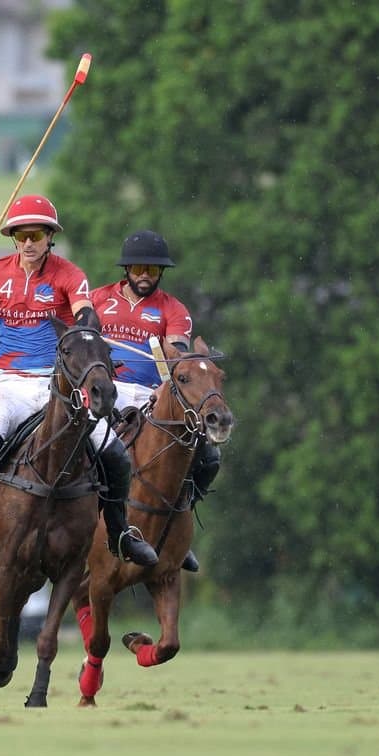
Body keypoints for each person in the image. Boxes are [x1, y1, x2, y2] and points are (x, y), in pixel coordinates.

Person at [0, 195, 156, 566]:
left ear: (50, 237)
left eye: (36, 235)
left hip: (60, 388)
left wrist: (85, 324)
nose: (29, 243)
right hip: (11, 385)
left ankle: (120, 532)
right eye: (21, 236)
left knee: (115, 454)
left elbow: (85, 314)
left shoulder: (69, 275)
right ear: (13, 239)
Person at [89, 229, 220, 572]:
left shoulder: (173, 309)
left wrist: (169, 373)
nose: (145, 275)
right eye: (138, 268)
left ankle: (178, 525)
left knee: (208, 456)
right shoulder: (98, 299)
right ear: (126, 270)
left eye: (152, 269)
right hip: (108, 390)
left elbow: (175, 355)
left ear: (161, 272)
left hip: (153, 395)